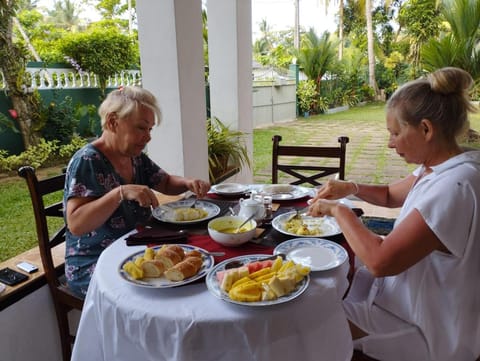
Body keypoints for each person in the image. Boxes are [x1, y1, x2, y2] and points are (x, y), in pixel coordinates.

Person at [308, 67, 480, 361]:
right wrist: (350, 187)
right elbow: (389, 195)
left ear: (426, 129)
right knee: (317, 301)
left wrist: (339, 211)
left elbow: (380, 261)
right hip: (408, 304)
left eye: (396, 133)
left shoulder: (455, 186)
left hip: (427, 329)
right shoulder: (442, 166)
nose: (390, 144)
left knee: (305, 321)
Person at [63, 86, 211, 297]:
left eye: (150, 129)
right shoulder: (88, 161)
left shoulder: (134, 156)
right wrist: (119, 192)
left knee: (194, 271)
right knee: (161, 295)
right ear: (113, 121)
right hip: (95, 262)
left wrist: (188, 182)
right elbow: (76, 224)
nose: (148, 137)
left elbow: (165, 182)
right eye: (141, 128)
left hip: (137, 249)